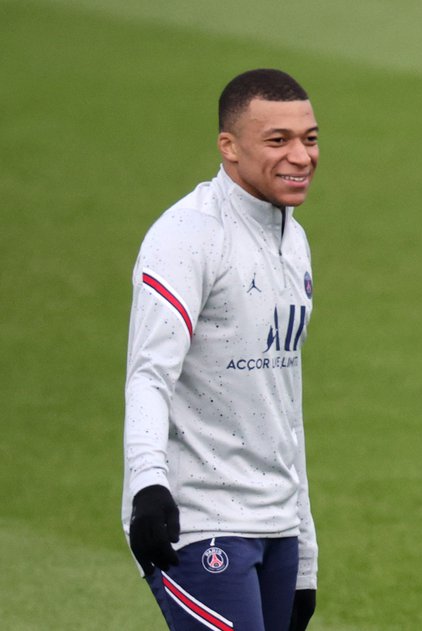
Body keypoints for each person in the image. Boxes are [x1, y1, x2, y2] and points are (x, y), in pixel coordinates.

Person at [122, 68, 320, 631]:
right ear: (228, 147)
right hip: (199, 517)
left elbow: (283, 403)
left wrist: (305, 551)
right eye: (277, 140)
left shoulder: (294, 240)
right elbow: (148, 376)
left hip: (277, 524)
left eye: (309, 138)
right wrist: (148, 486)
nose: (301, 156)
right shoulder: (188, 236)